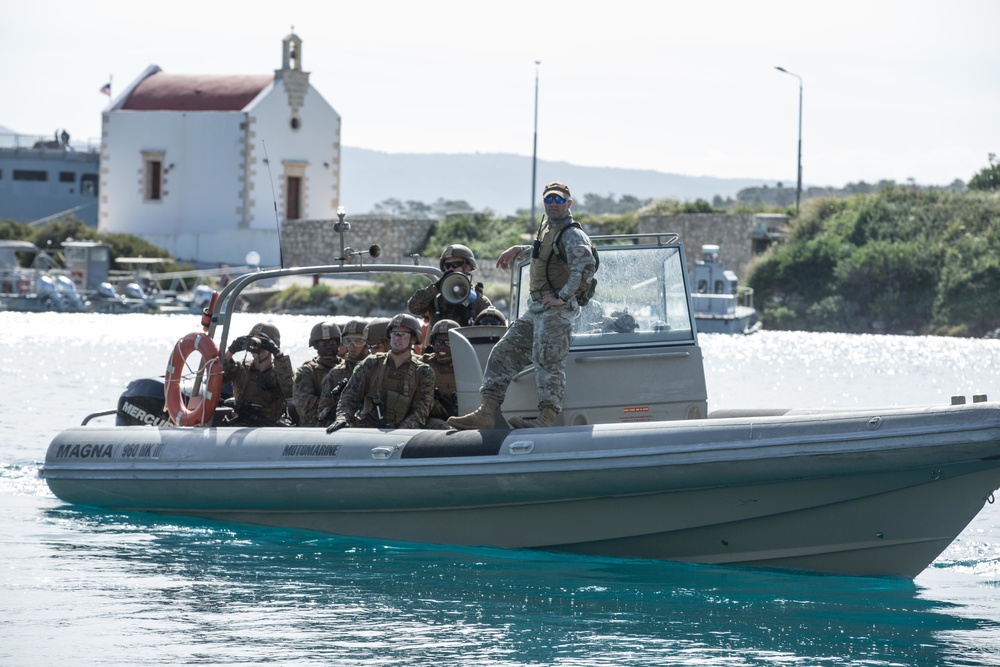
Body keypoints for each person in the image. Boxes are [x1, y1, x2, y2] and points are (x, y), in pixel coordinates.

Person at [449, 181, 597, 430]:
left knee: (547, 360)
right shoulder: (549, 229)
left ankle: (546, 419)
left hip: (556, 310)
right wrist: (522, 250)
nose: (553, 204)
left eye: (559, 200)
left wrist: (562, 297)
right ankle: (487, 412)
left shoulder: (572, 233)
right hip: (538, 307)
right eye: (549, 200)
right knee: (504, 351)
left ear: (568, 204)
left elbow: (585, 267)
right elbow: (550, 254)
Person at [327, 313, 435, 432]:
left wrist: (400, 433)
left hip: (402, 433)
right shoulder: (371, 363)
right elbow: (349, 396)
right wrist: (342, 418)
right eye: (394, 334)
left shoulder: (423, 372)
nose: (397, 338)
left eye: (402, 334)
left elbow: (420, 411)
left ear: (414, 338)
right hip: (368, 429)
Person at [223, 322, 294, 426]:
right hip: (240, 427)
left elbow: (290, 392)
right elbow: (216, 374)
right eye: (253, 342)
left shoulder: (281, 372)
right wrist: (232, 349)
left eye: (263, 343)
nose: (257, 347)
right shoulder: (240, 369)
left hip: (269, 429)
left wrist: (277, 353)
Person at [407, 244, 493, 329]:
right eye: (447, 266)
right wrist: (436, 287)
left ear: (468, 267)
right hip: (439, 342)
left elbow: (491, 328)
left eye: (456, 264)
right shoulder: (436, 296)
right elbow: (413, 308)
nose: (450, 269)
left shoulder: (478, 299)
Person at [316, 319, 369, 426]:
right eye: (348, 341)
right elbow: (322, 411)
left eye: (358, 341)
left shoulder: (377, 369)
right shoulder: (335, 373)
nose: (352, 346)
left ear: (367, 343)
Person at [292, 321, 342, 427]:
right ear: (315, 346)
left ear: (338, 343)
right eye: (323, 344)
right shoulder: (307, 371)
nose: (328, 347)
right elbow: (304, 406)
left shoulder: (347, 367)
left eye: (332, 343)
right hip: (314, 428)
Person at [421, 319, 460, 429]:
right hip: (431, 419)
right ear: (432, 343)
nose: (442, 347)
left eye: (448, 343)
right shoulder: (424, 363)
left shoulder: (466, 364)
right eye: (438, 342)